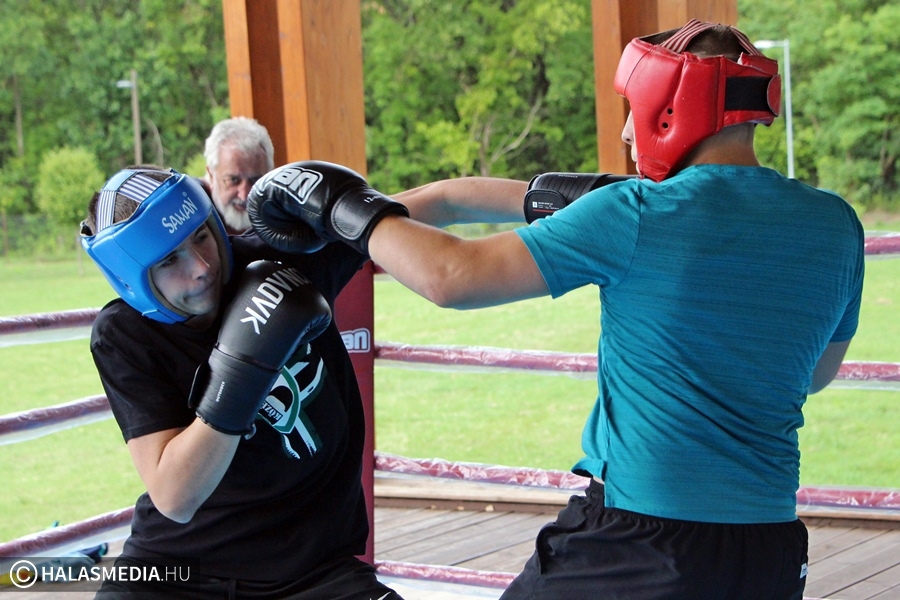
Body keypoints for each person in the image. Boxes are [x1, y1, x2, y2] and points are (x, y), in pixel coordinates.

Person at [246, 20, 865, 600]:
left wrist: (334, 203)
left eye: (632, 109)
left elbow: (450, 275)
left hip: (638, 543)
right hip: (769, 552)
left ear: (669, 106)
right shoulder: (837, 226)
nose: (627, 132)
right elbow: (814, 374)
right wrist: (340, 226)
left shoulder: (636, 215)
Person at [80, 166, 402, 599]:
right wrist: (244, 368)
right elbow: (175, 497)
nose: (200, 267)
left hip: (312, 573)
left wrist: (526, 202)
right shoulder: (125, 334)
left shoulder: (281, 261)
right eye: (169, 259)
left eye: (200, 236)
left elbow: (420, 208)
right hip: (175, 572)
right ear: (132, 279)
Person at [204, 116, 275, 234]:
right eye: (233, 180)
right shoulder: (191, 219)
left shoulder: (286, 220)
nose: (244, 196)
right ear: (211, 176)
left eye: (255, 181)